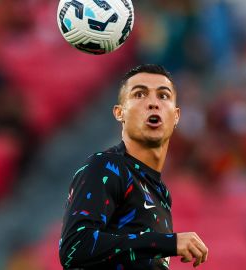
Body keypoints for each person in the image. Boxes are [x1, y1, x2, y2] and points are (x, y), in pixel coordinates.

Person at [59, 64, 208, 269]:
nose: (153, 103)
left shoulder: (160, 193)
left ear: (176, 116)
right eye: (139, 94)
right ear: (120, 113)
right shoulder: (106, 166)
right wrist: (167, 243)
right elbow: (75, 247)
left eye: (163, 96)